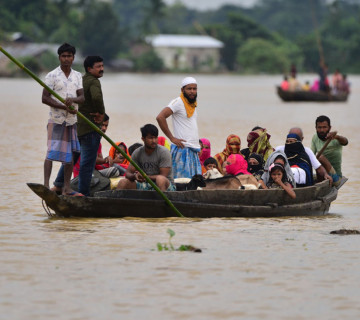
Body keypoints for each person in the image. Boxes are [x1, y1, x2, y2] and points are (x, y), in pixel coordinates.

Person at [52, 55, 106, 196]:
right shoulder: (93, 81)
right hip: (90, 128)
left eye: (102, 66)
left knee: (71, 158)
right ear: (89, 69)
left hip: (77, 126)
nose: (102, 69)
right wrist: (101, 113)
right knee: (87, 164)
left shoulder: (79, 80)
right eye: (98, 67)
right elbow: (96, 97)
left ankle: (58, 185)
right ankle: (83, 194)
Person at [42, 43, 84, 196]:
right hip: (56, 120)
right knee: (51, 152)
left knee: (70, 154)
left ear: (73, 58)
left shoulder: (77, 76)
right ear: (59, 57)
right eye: (63, 56)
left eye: (69, 56)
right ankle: (46, 185)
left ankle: (66, 188)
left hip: (72, 121)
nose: (66, 59)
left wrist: (72, 100)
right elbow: (45, 98)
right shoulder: (52, 75)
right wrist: (62, 106)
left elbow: (82, 97)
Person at [156, 77, 201, 179]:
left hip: (193, 150)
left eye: (194, 89)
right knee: (181, 184)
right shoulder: (178, 102)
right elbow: (160, 117)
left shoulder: (192, 104)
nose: (192, 91)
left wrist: (197, 145)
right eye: (189, 89)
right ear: (182, 90)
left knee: (194, 185)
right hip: (182, 150)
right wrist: (172, 138)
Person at [117, 124, 176, 192]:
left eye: (155, 137)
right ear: (143, 139)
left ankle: (161, 202)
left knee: (160, 179)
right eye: (150, 138)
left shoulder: (164, 152)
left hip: (165, 187)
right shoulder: (137, 152)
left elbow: (163, 176)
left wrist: (145, 177)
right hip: (145, 185)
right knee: (123, 182)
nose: (154, 141)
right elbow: (128, 173)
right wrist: (135, 176)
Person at [311, 115, 348, 181]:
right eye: (319, 127)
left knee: (320, 158)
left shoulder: (336, 138)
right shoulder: (315, 137)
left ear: (329, 128)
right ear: (316, 128)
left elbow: (345, 142)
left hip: (336, 177)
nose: (322, 130)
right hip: (322, 176)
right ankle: (320, 181)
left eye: (324, 127)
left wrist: (337, 137)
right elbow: (311, 156)